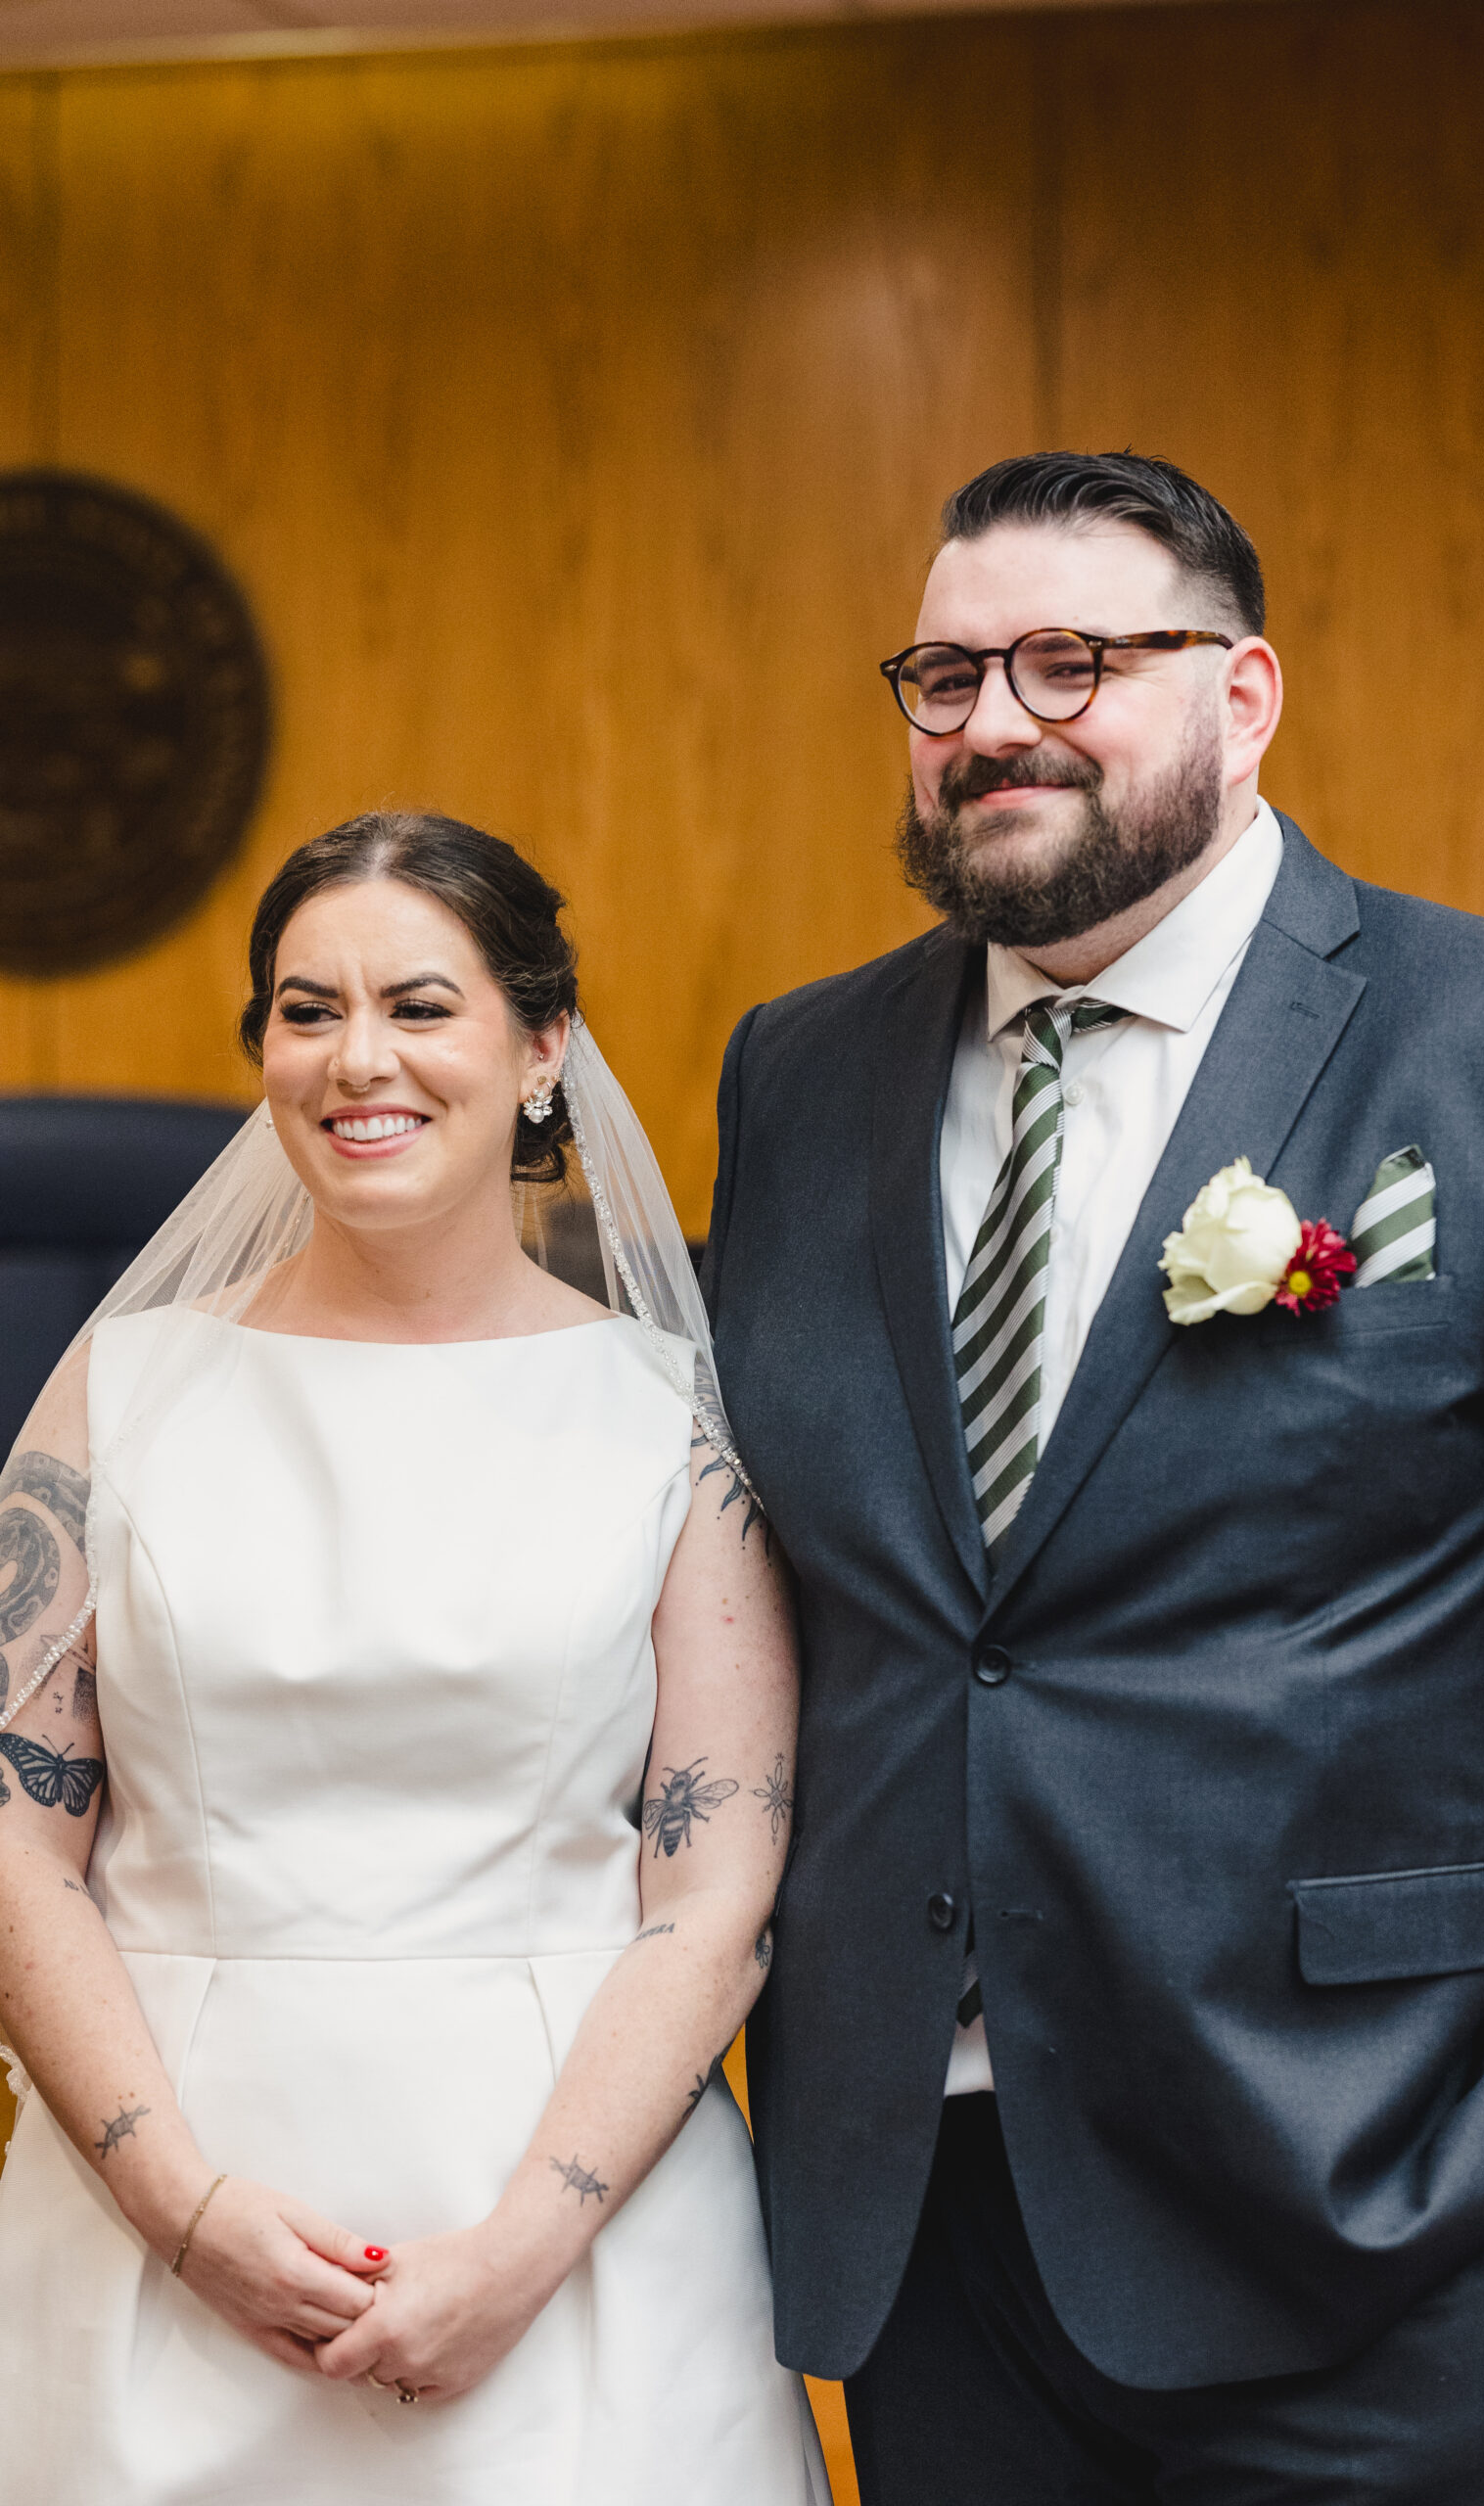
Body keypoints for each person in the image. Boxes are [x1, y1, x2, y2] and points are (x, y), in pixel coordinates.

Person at [701, 451, 1484, 2504]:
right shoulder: (795, 1072)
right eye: (943, 673)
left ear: (1240, 698)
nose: (992, 723)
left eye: (1070, 661)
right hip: (930, 2205)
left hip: (1389, 2190)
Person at [0, 811, 829, 2506]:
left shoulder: (669, 1418)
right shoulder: (121, 1388)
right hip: (166, 2190)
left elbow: (716, 1883)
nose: (354, 1058)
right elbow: (15, 1835)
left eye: (419, 1005)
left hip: (567, 2219)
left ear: (543, 1048)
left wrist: (528, 2247)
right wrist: (188, 2214)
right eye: (307, 1011)